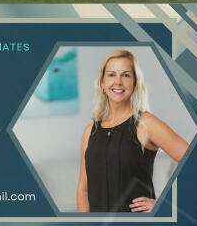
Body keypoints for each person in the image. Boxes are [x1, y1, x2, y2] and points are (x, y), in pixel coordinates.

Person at [77, 49, 190, 214]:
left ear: (135, 82)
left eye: (126, 75)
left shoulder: (147, 123)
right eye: (111, 75)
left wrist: (166, 204)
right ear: (102, 82)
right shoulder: (90, 132)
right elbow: (83, 189)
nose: (118, 82)